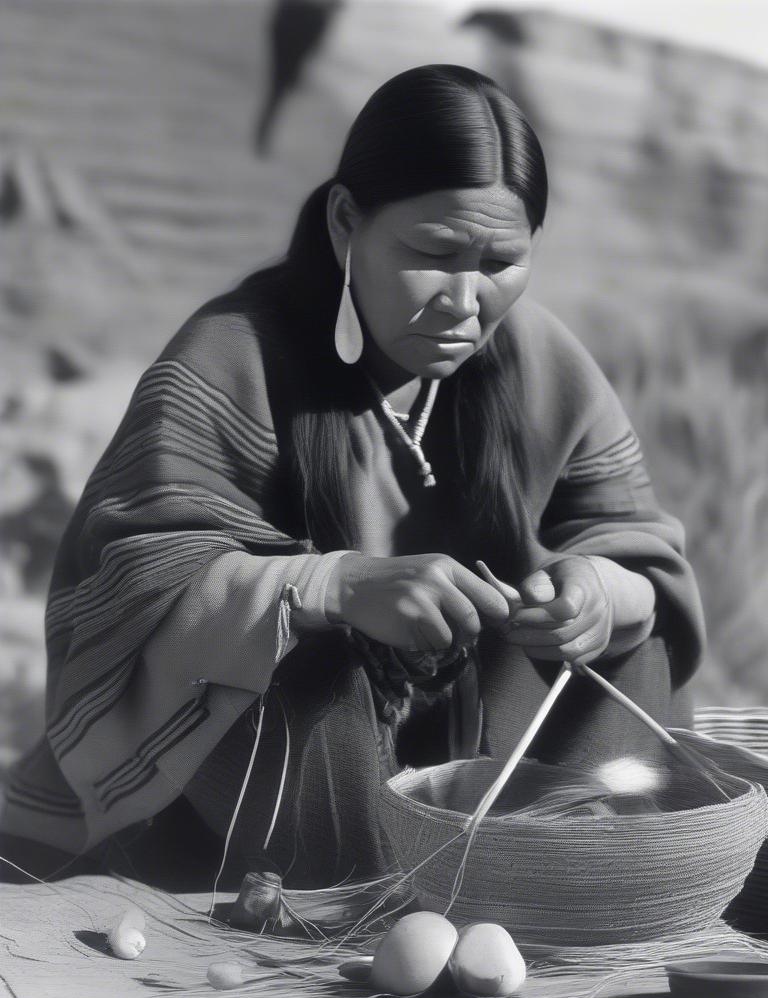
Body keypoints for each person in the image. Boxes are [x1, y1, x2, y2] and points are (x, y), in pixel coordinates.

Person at [0, 65, 705, 889]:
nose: (465, 300)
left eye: (501, 262)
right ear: (345, 223)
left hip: (473, 753)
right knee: (303, 666)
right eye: (432, 253)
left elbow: (641, 555)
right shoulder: (232, 358)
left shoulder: (548, 366)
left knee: (632, 639)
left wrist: (597, 595)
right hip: (299, 766)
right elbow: (127, 591)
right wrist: (335, 587)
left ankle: (573, 880)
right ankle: (362, 887)